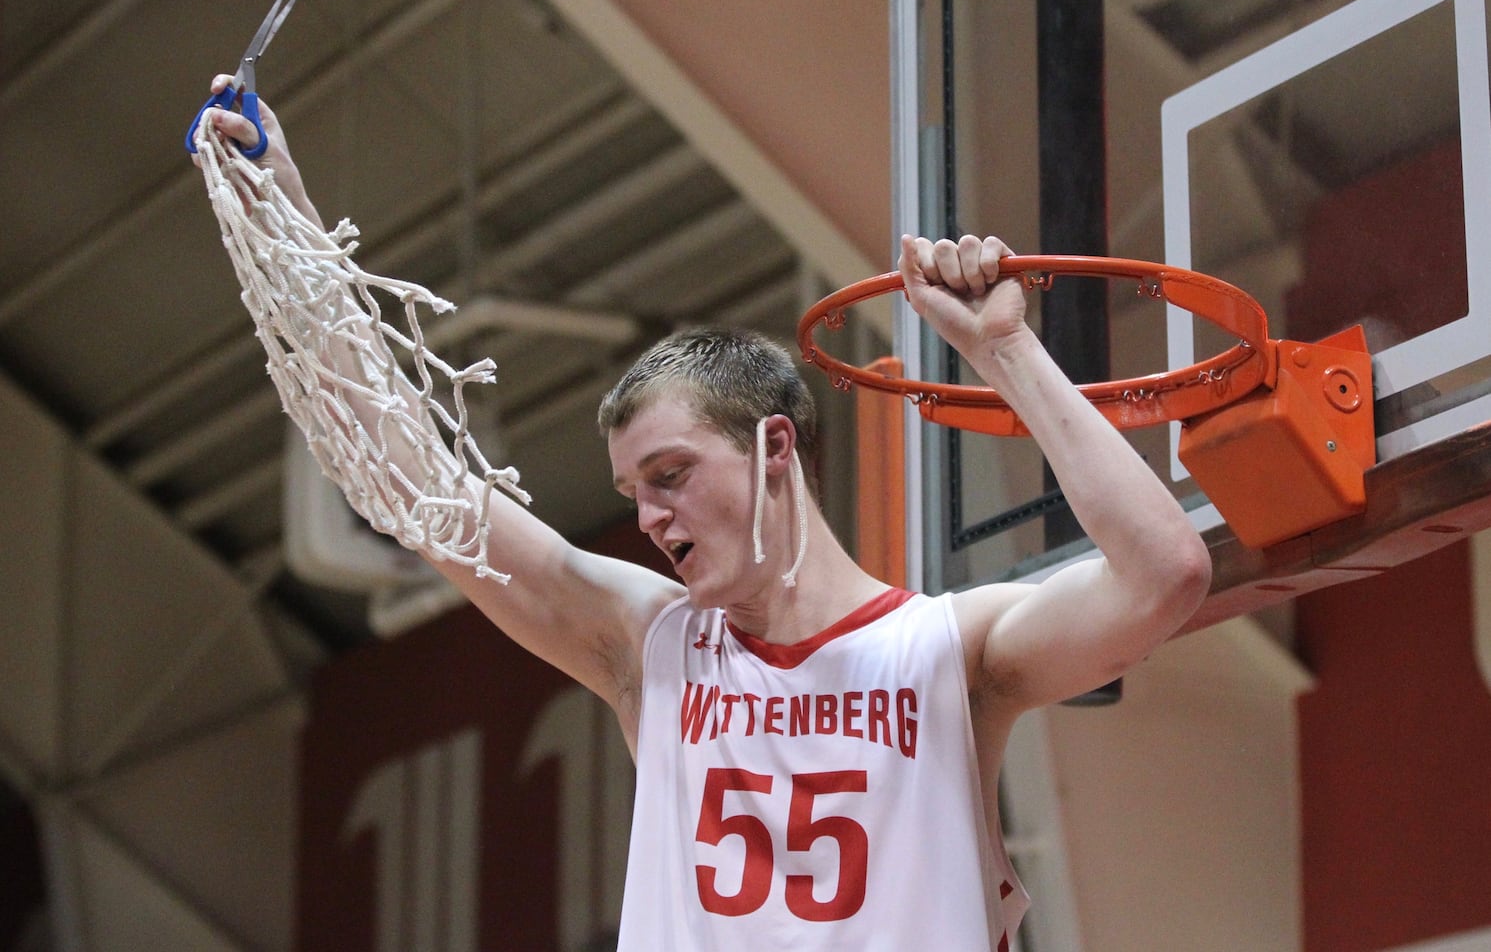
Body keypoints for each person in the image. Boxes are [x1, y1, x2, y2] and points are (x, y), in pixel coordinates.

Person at [196, 76, 1212, 951]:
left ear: (775, 449)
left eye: (671, 474)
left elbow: (1166, 571)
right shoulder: (654, 648)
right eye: (636, 492)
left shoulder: (947, 652)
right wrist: (287, 222)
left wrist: (1003, 350)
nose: (649, 516)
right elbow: (419, 490)